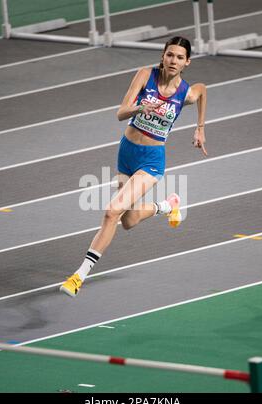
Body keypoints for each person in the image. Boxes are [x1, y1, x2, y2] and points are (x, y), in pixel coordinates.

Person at [60, 36, 207, 297]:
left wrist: (200, 128)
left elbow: (203, 89)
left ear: (187, 62)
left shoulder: (186, 93)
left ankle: (78, 276)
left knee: (111, 211)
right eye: (170, 55)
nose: (173, 60)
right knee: (128, 220)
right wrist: (140, 107)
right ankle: (167, 205)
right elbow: (120, 113)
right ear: (163, 56)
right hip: (126, 152)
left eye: (179, 57)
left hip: (151, 161)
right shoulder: (145, 75)